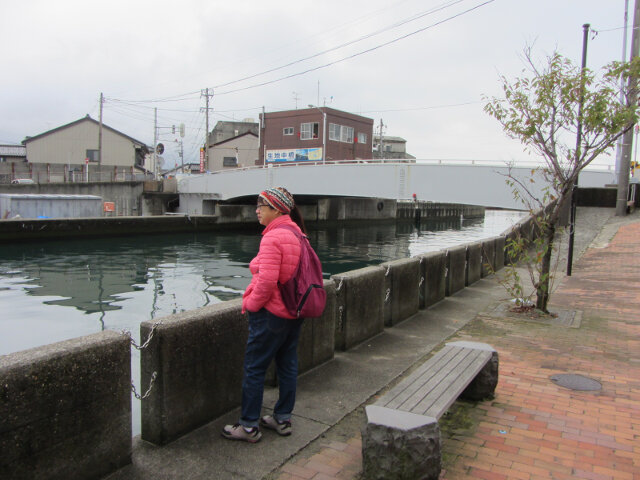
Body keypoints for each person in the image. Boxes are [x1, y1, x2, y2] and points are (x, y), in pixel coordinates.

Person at [222, 186, 307, 443]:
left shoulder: (273, 237)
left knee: (255, 367)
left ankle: (248, 426)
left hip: (272, 314)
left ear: (276, 209)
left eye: (261, 206)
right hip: (294, 312)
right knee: (288, 365)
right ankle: (282, 418)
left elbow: (267, 280)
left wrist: (251, 303)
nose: (257, 210)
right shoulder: (298, 234)